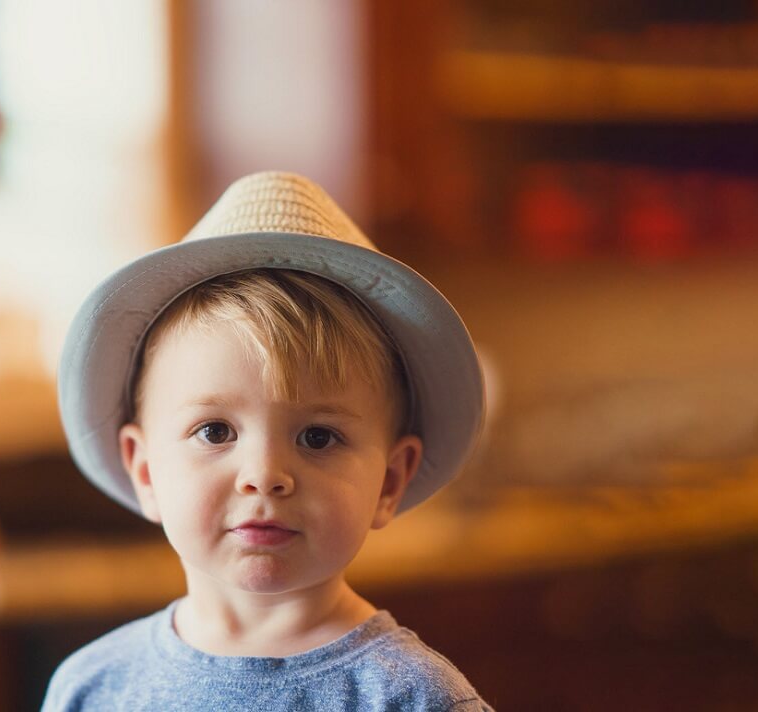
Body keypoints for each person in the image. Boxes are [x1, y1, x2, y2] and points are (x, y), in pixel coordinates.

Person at [45, 171, 493, 711]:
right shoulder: (92, 688)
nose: (264, 474)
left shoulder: (412, 697)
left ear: (389, 480)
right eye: (215, 431)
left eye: (318, 436)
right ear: (145, 472)